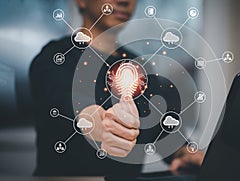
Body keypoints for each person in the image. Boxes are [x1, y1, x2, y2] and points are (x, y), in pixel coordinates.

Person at [30, 0, 204, 177]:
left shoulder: (139, 66)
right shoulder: (56, 58)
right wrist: (102, 126)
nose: (125, 1)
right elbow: (73, 107)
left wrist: (187, 155)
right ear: (81, 2)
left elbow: (165, 133)